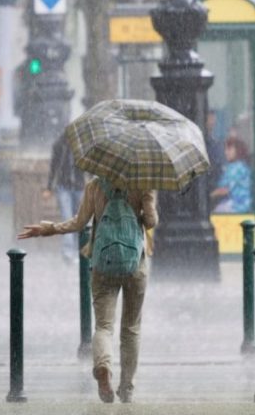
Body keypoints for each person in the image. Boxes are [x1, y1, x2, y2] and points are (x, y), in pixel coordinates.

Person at [18, 178, 157, 404]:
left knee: (103, 326)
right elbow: (150, 221)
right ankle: (127, 389)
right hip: (135, 265)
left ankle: (103, 367)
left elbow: (79, 223)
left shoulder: (96, 185)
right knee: (131, 328)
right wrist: (143, 209)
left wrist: (49, 229)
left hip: (103, 263)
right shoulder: (143, 182)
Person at [43, 133, 86, 263]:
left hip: (78, 187)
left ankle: (80, 251)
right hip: (64, 188)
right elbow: (53, 167)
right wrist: (49, 187)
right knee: (67, 218)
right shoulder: (59, 145)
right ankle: (68, 252)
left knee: (79, 219)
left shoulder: (83, 145)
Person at [211, 136, 253, 214]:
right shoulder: (242, 166)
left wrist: (210, 196)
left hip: (236, 207)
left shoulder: (236, 169)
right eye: (225, 149)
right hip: (243, 205)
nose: (226, 152)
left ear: (238, 150)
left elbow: (224, 189)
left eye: (229, 149)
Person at [204, 111, 225, 189]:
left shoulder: (216, 144)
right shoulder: (205, 142)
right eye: (211, 119)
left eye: (213, 119)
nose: (213, 122)